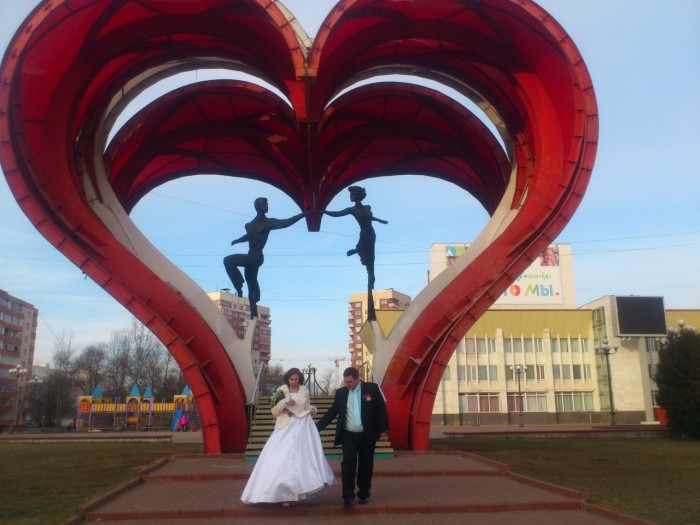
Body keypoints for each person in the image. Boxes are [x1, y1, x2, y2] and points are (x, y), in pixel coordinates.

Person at [241, 368, 336, 506]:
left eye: (296, 379)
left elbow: (307, 406)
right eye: (291, 379)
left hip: (302, 426)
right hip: (285, 426)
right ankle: (281, 493)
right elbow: (274, 411)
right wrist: (285, 402)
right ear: (287, 379)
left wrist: (313, 410)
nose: (294, 382)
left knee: (301, 459)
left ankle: (295, 493)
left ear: (299, 379)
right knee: (281, 458)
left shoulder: (304, 390)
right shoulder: (281, 390)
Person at [316, 367, 389, 509]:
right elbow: (332, 412)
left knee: (366, 464)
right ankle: (348, 496)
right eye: (345, 382)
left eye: (349, 382)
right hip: (348, 435)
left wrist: (383, 429)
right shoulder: (341, 393)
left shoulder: (372, 389)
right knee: (348, 462)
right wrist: (317, 427)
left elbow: (381, 409)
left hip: (367, 434)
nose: (347, 384)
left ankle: (363, 493)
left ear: (357, 378)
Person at [224, 198, 310, 318]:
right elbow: (249, 236)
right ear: (257, 207)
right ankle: (253, 312)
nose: (267, 206)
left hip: (257, 257)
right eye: (264, 204)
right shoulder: (249, 225)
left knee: (228, 260)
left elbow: (286, 222)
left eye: (267, 204)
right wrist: (238, 240)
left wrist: (303, 215)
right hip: (250, 256)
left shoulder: (269, 223)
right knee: (251, 283)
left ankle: (238, 286)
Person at [324, 186, 388, 290]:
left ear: (358, 195)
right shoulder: (351, 210)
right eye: (350, 194)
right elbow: (336, 214)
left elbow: (369, 217)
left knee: (370, 260)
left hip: (371, 234)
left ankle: (370, 279)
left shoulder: (367, 207)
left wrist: (379, 220)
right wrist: (322, 211)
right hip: (364, 234)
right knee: (369, 260)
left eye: (352, 194)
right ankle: (360, 254)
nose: (350, 196)